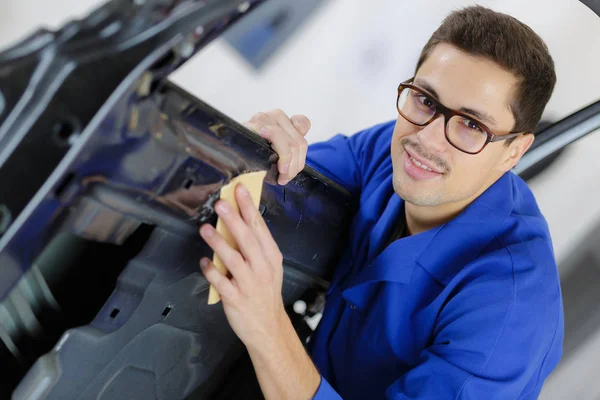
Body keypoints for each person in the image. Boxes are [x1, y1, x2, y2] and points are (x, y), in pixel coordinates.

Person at [198, 5, 563, 399]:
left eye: (471, 125)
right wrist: (247, 149)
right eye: (426, 100)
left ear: (514, 152)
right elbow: (263, 186)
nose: (428, 138)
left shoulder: (508, 311)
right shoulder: (387, 151)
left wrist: (267, 327)